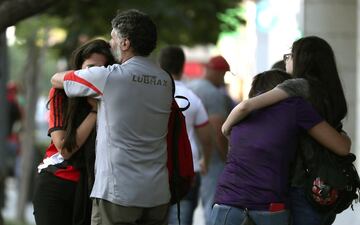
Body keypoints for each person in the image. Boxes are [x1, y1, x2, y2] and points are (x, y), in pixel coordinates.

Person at [51, 9, 173, 225]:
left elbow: (58, 79)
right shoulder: (165, 80)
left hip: (118, 194)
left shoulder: (109, 77)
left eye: (113, 37)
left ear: (125, 43)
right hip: (157, 194)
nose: (110, 42)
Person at [221, 36, 349, 225]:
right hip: (326, 186)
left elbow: (245, 107)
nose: (287, 59)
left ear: (303, 59)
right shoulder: (330, 92)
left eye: (290, 55)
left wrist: (226, 129)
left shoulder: (299, 86)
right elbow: (341, 143)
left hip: (302, 186)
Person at [32, 39, 115, 225]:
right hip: (57, 183)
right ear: (78, 68)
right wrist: (95, 112)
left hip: (95, 189)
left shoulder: (113, 99)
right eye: (90, 68)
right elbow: (65, 148)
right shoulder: (61, 94)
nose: (93, 75)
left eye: (100, 71)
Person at [158, 46, 213, 225]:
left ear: (160, 66)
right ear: (182, 67)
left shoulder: (151, 95)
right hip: (187, 168)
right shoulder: (192, 98)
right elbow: (206, 136)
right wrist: (206, 159)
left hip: (156, 168)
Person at [187, 55, 233, 225]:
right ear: (216, 72)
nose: (223, 78)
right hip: (211, 159)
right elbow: (218, 130)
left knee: (186, 207)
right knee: (212, 206)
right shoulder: (213, 94)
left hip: (190, 156)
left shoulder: (190, 86)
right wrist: (226, 157)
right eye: (224, 74)